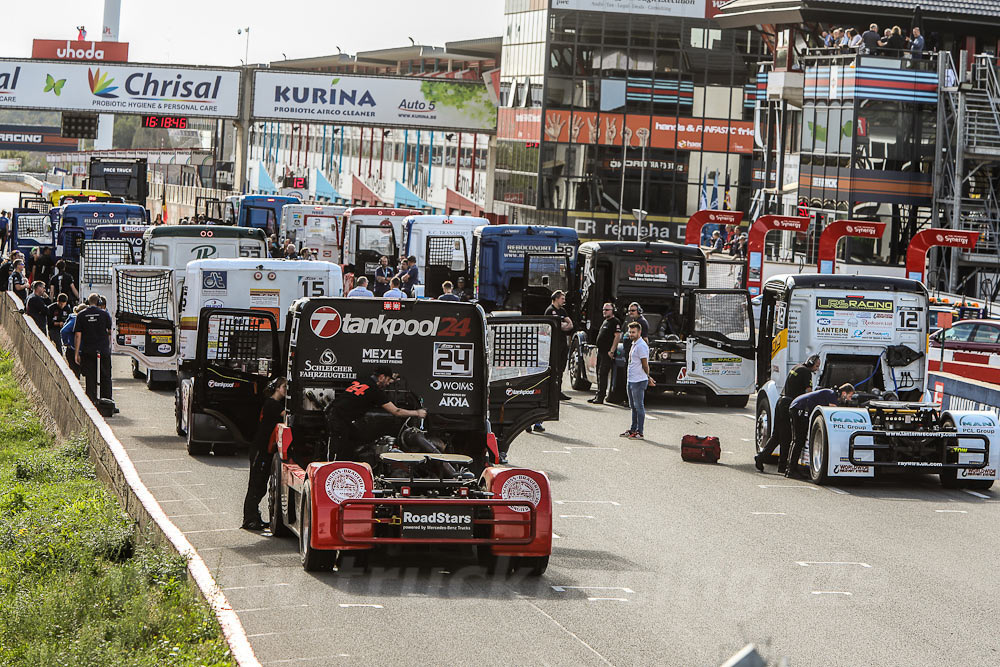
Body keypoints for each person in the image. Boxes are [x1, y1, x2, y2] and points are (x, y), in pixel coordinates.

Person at [323, 368, 427, 461]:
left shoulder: (362, 381)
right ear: (381, 377)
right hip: (338, 418)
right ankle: (330, 470)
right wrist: (417, 413)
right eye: (387, 380)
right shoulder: (375, 391)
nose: (388, 383)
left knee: (355, 439)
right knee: (337, 449)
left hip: (336, 414)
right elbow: (396, 411)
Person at [754, 354, 820, 473]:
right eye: (816, 366)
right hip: (788, 405)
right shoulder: (806, 373)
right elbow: (808, 392)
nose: (817, 369)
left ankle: (761, 457)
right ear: (810, 363)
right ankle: (782, 466)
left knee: (777, 436)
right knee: (787, 437)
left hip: (781, 402)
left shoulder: (796, 367)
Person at [242, 377, 287, 531]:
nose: (286, 390)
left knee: (260, 485)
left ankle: (254, 517)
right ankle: (249, 519)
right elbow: (286, 415)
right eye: (284, 387)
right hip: (260, 450)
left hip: (265, 449)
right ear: (277, 388)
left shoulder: (275, 404)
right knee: (256, 485)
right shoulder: (272, 404)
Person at [785, 383, 855, 478]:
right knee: (798, 440)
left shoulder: (831, 394)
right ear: (843, 393)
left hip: (799, 407)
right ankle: (791, 470)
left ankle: (791, 468)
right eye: (850, 396)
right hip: (799, 408)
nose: (850, 399)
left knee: (797, 440)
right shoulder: (832, 394)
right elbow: (836, 411)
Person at [73, 292, 113, 405]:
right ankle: (107, 401)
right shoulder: (104, 314)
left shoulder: (81, 315)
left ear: (88, 302)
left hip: (88, 350)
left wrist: (77, 353)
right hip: (103, 349)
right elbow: (110, 331)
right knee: (105, 375)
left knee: (90, 377)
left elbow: (78, 335)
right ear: (98, 302)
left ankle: (91, 400)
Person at [622, 322, 654, 439]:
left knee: (639, 406)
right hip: (631, 379)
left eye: (633, 332)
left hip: (638, 381)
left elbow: (645, 365)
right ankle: (633, 429)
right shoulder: (634, 344)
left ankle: (640, 432)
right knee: (633, 406)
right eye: (630, 332)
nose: (631, 334)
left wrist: (648, 377)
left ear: (639, 332)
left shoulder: (641, 346)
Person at [588, 303, 621, 405]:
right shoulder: (605, 321)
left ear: (612, 310)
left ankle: (601, 396)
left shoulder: (615, 322)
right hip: (601, 352)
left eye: (607, 310)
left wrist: (612, 350)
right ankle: (598, 394)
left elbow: (617, 336)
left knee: (603, 374)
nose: (604, 311)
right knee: (599, 373)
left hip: (607, 352)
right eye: (603, 310)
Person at [544, 290, 573, 402]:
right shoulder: (550, 311)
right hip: (553, 343)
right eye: (562, 298)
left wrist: (564, 325)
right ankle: (551, 392)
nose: (564, 300)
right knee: (554, 368)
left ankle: (558, 391)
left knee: (561, 368)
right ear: (556, 298)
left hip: (562, 343)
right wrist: (563, 325)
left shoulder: (563, 310)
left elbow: (570, 324)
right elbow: (558, 326)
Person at [61, 304, 87, 379]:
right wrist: (66, 343)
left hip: (78, 349)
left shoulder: (75, 319)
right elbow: (64, 331)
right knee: (75, 373)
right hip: (73, 349)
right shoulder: (75, 320)